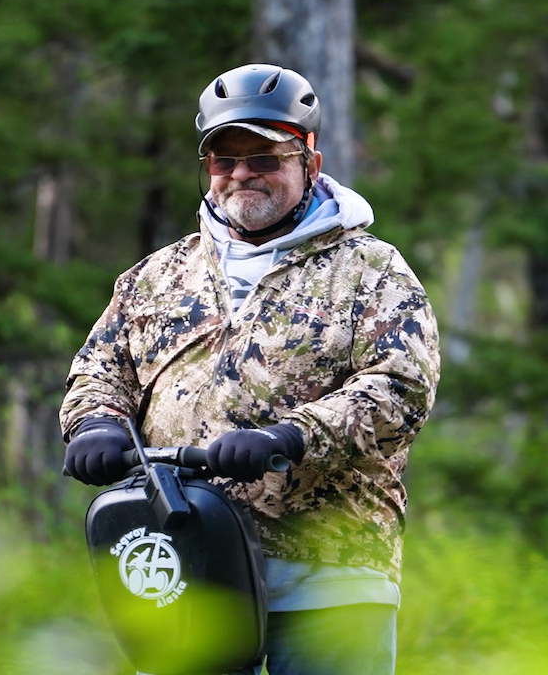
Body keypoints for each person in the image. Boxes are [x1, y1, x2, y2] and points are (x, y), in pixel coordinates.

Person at [60, 63, 440, 675]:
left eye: (263, 158)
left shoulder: (371, 270)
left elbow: (400, 389)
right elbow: (100, 369)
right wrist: (95, 426)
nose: (241, 173)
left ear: (308, 161)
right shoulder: (157, 276)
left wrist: (288, 438)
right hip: (186, 561)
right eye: (223, 159)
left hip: (329, 565)